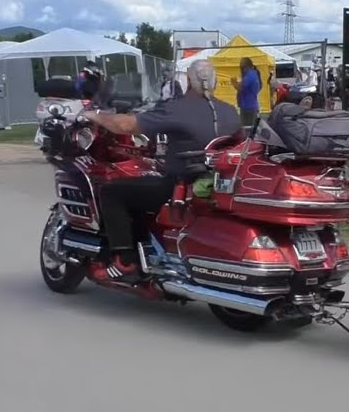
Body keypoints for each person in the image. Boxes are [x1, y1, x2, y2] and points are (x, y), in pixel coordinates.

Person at [81, 59, 239, 283]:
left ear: (188, 80)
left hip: (180, 185)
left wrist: (93, 115)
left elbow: (124, 126)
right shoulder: (230, 112)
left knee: (111, 191)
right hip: (215, 183)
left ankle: (124, 261)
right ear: (214, 81)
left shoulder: (177, 108)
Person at [230, 56, 262, 128]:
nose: (240, 69)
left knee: (246, 130)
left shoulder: (249, 75)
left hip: (248, 107)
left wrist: (234, 82)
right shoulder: (254, 74)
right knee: (251, 128)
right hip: (251, 105)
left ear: (245, 67)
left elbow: (240, 88)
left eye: (241, 67)